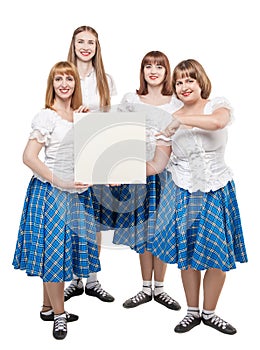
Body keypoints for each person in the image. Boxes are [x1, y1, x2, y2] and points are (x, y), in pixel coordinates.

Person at [151, 58, 248, 334]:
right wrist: (123, 170)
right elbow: (158, 163)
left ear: (200, 81)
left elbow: (217, 124)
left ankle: (210, 312)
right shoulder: (169, 118)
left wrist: (178, 119)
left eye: (189, 80)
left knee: (218, 255)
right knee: (189, 254)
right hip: (183, 192)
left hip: (217, 189)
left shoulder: (217, 104)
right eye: (179, 82)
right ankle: (192, 312)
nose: (183, 86)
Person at [12, 61, 101, 340]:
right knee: (53, 254)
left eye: (69, 79)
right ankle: (60, 317)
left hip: (76, 194)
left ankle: (48, 307)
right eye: (58, 79)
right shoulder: (46, 116)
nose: (64, 83)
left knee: (60, 251)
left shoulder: (80, 115)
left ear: (76, 84)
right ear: (51, 84)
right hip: (51, 193)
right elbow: (28, 157)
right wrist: (59, 181)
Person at [112, 51, 182, 310]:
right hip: (138, 171)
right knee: (143, 229)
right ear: (142, 71)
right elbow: (119, 135)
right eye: (148, 66)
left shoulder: (175, 102)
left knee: (161, 229)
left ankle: (160, 289)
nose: (153, 71)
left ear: (167, 72)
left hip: (167, 173)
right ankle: (144, 287)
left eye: (159, 67)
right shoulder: (132, 99)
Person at [64, 25, 117, 303]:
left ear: (97, 48)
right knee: (74, 219)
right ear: (73, 45)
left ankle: (93, 280)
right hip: (68, 154)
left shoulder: (105, 79)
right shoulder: (63, 74)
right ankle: (74, 279)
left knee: (95, 219)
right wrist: (74, 114)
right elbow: (54, 112)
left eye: (91, 43)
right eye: (81, 41)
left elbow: (112, 123)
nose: (86, 46)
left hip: (96, 155)